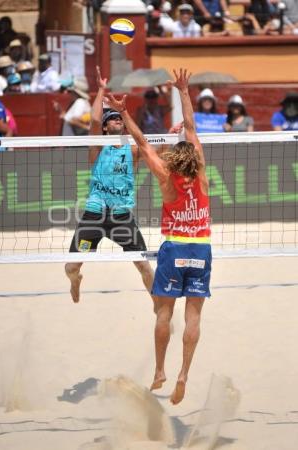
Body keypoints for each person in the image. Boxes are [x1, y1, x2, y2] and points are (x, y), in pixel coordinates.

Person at [106, 68, 212, 405]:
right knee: (193, 317)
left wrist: (123, 112)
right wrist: (183, 91)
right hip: (202, 248)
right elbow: (192, 128)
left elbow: (140, 142)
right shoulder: (203, 175)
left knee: (164, 313)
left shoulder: (166, 177)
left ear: (172, 160)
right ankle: (184, 374)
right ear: (194, 159)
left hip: (174, 248)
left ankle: (160, 370)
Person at [65, 67, 156, 312]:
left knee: (144, 266)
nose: (117, 121)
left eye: (119, 119)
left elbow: (153, 149)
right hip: (94, 214)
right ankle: (76, 282)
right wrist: (102, 90)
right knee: (71, 268)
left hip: (121, 216)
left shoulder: (133, 150)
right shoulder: (97, 148)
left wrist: (174, 134)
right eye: (113, 119)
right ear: (106, 128)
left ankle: (160, 305)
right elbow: (94, 120)